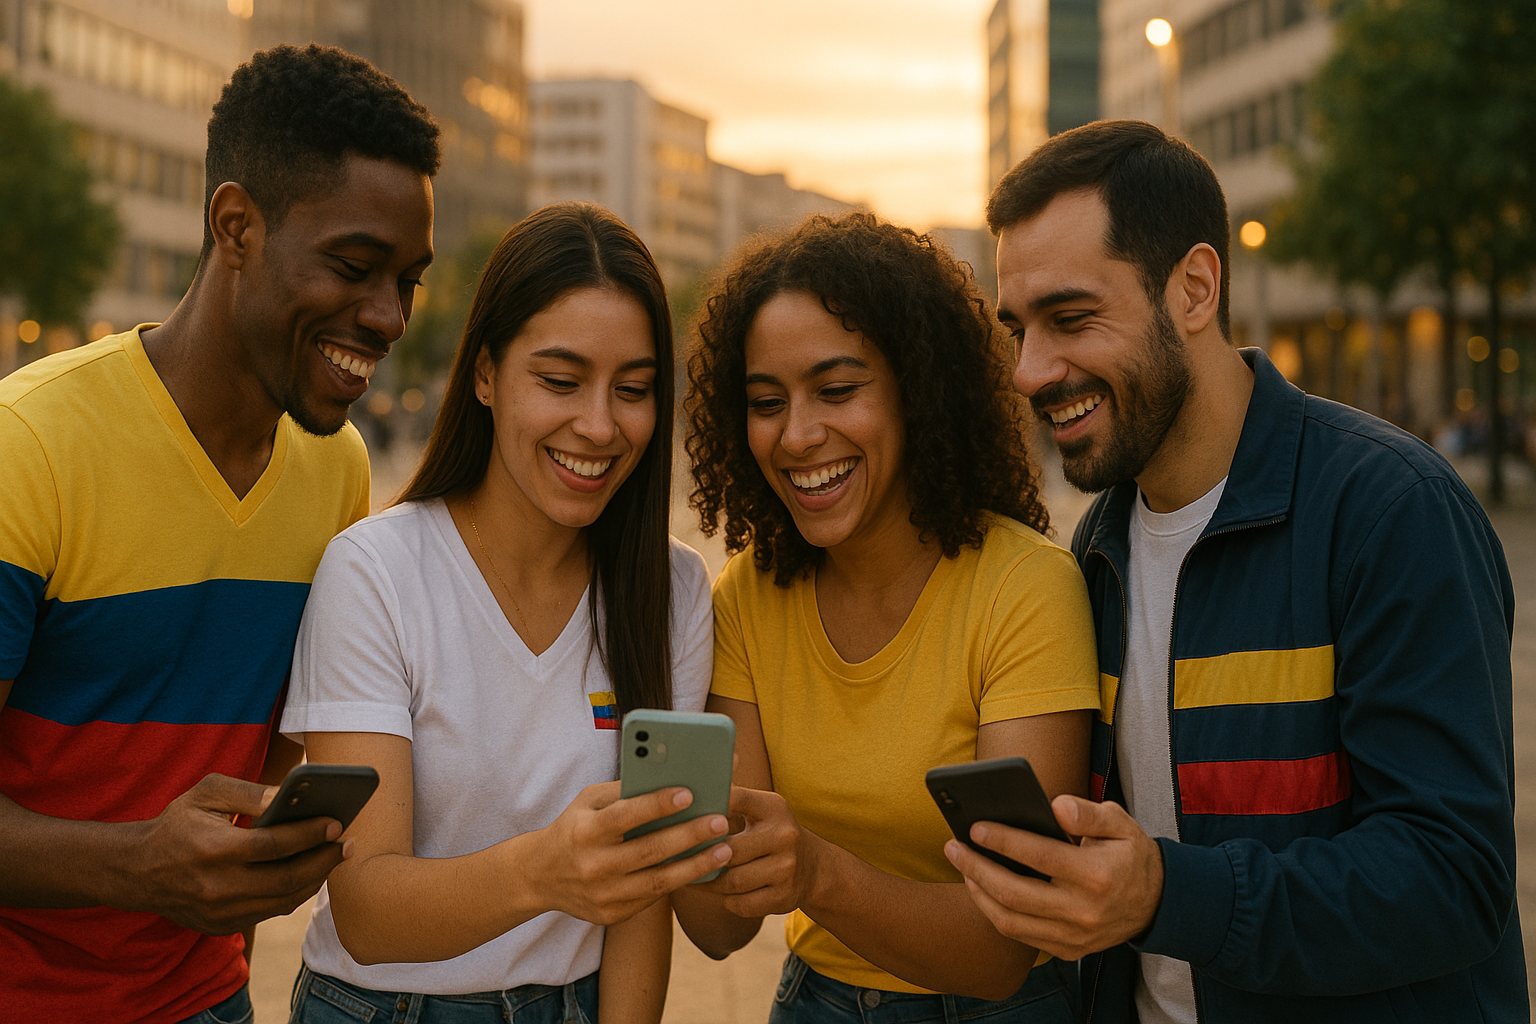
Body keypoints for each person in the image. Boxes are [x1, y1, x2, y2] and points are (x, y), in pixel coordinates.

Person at [945, 119, 1527, 1023]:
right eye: (1018, 330)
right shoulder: (1095, 546)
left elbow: (1454, 880)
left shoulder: (1390, 510)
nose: (1028, 371)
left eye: (1070, 319)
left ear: (1195, 288)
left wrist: (1165, 894)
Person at [0, 43, 438, 1024]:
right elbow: (160, 855)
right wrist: (136, 867)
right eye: (355, 266)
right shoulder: (25, 448)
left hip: (208, 1002)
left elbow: (253, 776)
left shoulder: (339, 470)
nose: (388, 315)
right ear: (234, 225)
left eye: (408, 279)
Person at [280, 202, 723, 1024]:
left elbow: (642, 893)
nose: (598, 425)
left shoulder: (675, 591)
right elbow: (367, 911)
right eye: (559, 381)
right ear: (485, 374)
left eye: (633, 390)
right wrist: (542, 872)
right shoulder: (376, 572)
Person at [676, 211, 1100, 1022]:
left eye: (837, 390)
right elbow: (720, 930)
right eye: (767, 402)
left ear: (918, 390)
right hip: (817, 1001)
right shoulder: (744, 596)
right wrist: (670, 817)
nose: (798, 436)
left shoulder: (1025, 590)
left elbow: (1001, 949)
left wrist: (814, 874)